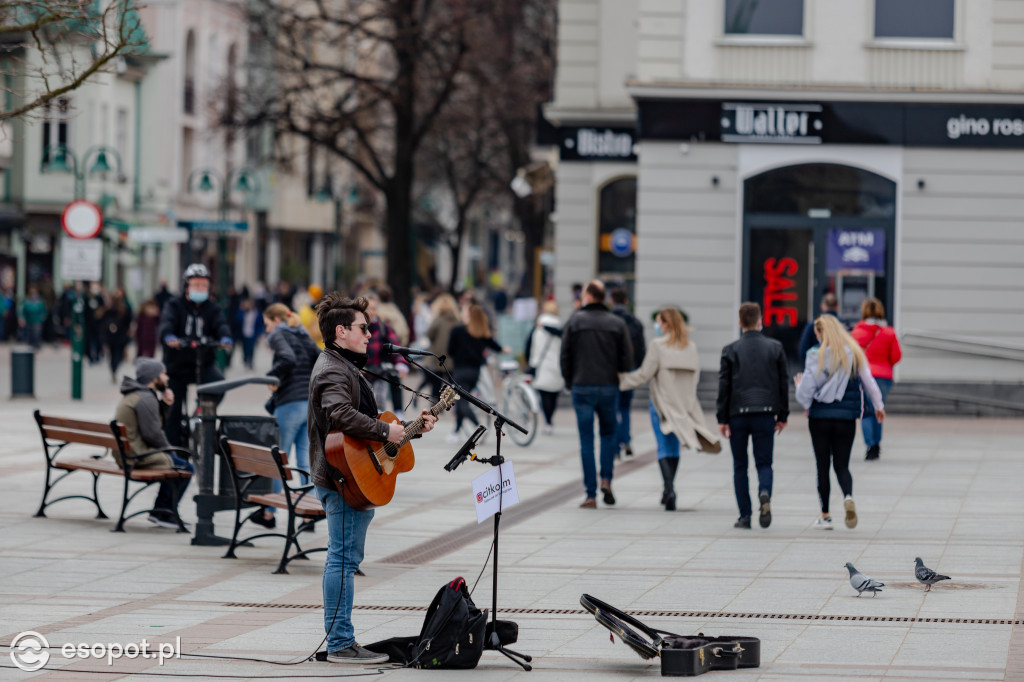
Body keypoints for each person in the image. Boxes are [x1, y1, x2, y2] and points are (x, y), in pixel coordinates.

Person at [308, 293, 436, 664]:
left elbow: (363, 430)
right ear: (340, 331)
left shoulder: (343, 364)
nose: (370, 333)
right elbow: (340, 415)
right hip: (342, 478)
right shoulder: (333, 369)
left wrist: (411, 429)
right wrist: (384, 429)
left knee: (345, 558)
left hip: (352, 474)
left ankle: (342, 641)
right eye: (364, 328)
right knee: (343, 560)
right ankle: (340, 644)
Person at [620, 308, 719, 511]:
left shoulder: (658, 345)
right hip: (683, 404)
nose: (657, 326)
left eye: (658, 322)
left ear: (666, 324)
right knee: (674, 447)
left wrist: (621, 381)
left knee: (663, 446)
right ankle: (669, 490)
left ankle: (669, 488)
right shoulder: (690, 346)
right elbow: (696, 377)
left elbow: (644, 374)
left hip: (662, 403)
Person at [796, 315, 885, 531]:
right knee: (842, 465)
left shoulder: (815, 355)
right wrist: (879, 406)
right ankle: (847, 496)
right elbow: (869, 382)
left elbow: (806, 391)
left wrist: (800, 389)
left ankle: (825, 516)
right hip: (846, 420)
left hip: (819, 418)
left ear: (820, 333)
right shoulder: (854, 353)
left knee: (822, 465)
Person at [560, 280, 633, 509]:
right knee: (609, 436)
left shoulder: (575, 321)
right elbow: (628, 358)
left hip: (582, 387)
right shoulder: (617, 323)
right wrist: (617, 374)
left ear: (590, 296)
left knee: (586, 440)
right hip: (609, 387)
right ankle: (606, 480)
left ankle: (590, 494)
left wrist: (570, 381)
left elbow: (564, 355)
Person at [716, 302, 789, 530]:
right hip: (766, 412)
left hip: (738, 413)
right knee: (764, 462)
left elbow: (724, 386)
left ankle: (744, 516)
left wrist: (722, 418)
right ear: (761, 321)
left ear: (739, 323)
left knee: (740, 465)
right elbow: (782, 384)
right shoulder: (775, 347)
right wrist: (782, 414)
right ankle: (764, 491)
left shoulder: (730, 350)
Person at [250, 303, 321, 528]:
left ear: (275, 320)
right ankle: (309, 514)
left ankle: (269, 514)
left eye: (267, 324)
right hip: (307, 404)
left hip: (289, 403)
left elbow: (287, 359)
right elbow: (320, 357)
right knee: (304, 460)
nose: (267, 329)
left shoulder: (279, 334)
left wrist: (273, 378)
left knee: (278, 458)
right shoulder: (301, 333)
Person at [113, 358, 194, 529]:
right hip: (135, 456)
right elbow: (154, 434)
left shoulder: (136, 395)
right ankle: (164, 511)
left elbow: (152, 427)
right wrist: (171, 453)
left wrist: (165, 405)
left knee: (175, 463)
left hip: (127, 454)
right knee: (185, 467)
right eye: (163, 374)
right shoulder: (145, 398)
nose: (167, 378)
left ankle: (162, 511)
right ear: (154, 378)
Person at [158, 263, 233, 446]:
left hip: (203, 362)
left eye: (203, 285)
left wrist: (225, 338)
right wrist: (169, 336)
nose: (200, 289)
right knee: (173, 408)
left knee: (219, 385)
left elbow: (220, 324)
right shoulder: (174, 305)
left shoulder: (212, 308)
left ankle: (201, 411)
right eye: (196, 285)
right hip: (177, 364)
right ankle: (174, 452)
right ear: (187, 286)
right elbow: (167, 322)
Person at [851, 297, 901, 461]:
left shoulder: (857, 332)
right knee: (878, 409)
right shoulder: (889, 332)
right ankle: (877, 444)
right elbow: (896, 356)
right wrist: (886, 364)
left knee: (866, 411)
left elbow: (851, 356)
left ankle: (870, 445)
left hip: (864, 375)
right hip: (884, 377)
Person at [446, 303, 505, 442]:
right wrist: (503, 350)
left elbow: (450, 351)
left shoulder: (457, 330)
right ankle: (456, 432)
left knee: (461, 402)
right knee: (462, 399)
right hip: (475, 373)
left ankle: (478, 426)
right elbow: (494, 345)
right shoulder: (481, 332)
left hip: (460, 372)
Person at [609, 287, 646, 457]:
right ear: (626, 301)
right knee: (625, 408)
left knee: (614, 408)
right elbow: (641, 350)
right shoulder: (635, 322)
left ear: (611, 301)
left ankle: (616, 448)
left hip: (610, 371)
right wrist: (636, 369)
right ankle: (627, 440)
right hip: (629, 371)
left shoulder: (609, 320)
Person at [364, 293, 410, 419]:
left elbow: (395, 346)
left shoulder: (384, 328)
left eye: (373, 308)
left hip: (379, 373)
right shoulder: (356, 328)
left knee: (378, 407)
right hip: (360, 374)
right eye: (367, 309)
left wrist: (400, 363)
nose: (371, 312)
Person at [526, 300, 564, 435]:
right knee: (554, 395)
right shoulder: (561, 328)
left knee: (544, 395)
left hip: (542, 365)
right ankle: (550, 420)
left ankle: (547, 421)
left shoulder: (538, 328)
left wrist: (531, 364)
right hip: (557, 366)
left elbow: (530, 347)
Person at [424, 293, 460, 401]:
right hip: (453, 356)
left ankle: (435, 403)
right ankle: (452, 403)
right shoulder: (457, 321)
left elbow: (430, 335)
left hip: (438, 356)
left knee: (436, 384)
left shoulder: (438, 320)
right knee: (452, 383)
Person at [101, 289, 134, 383]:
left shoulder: (124, 309)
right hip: (115, 336)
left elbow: (128, 321)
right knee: (115, 355)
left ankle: (114, 369)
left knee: (116, 355)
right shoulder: (109, 309)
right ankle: (114, 369)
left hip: (118, 336)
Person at [798, 292, 840, 361]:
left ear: (822, 306)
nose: (817, 337)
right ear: (838, 307)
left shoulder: (813, 324)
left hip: (817, 366)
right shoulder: (843, 325)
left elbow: (803, 351)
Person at [237, 297, 264, 369]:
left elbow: (260, 324)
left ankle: (250, 362)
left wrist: (259, 333)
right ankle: (245, 360)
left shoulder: (257, 312)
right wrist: (241, 309)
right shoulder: (242, 312)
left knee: (252, 349)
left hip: (253, 334)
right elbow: (238, 320)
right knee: (245, 348)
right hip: (244, 333)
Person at [18, 285, 48, 349]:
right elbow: (23, 311)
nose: (33, 294)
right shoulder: (26, 301)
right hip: (29, 321)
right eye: (32, 293)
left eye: (34, 293)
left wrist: (42, 318)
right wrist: (22, 318)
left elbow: (43, 311)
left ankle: (37, 346)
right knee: (30, 335)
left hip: (37, 321)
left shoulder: (40, 301)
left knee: (36, 334)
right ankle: (30, 347)